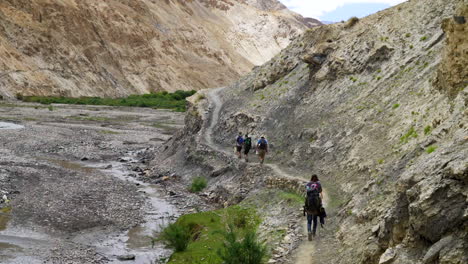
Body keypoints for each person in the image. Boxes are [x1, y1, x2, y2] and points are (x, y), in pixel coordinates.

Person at [304, 174, 323, 241]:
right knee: (315, 221)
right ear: (317, 178)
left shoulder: (308, 183)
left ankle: (309, 231)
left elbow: (306, 190)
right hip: (315, 208)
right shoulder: (318, 183)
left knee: (309, 221)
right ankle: (314, 232)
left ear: (311, 178)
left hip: (309, 207)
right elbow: (320, 191)